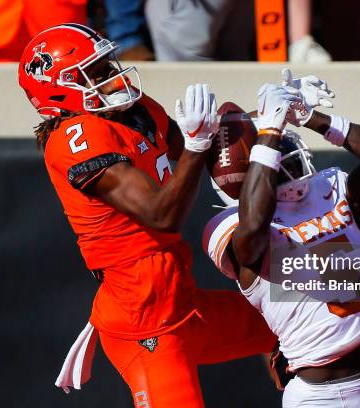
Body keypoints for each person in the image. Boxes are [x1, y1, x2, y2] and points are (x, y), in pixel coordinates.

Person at [17, 23, 277, 407]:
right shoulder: (74, 140)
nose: (113, 75)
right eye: (97, 72)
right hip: (146, 325)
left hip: (183, 304)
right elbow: (162, 214)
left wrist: (271, 120)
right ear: (59, 89)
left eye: (108, 62)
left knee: (299, 326)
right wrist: (197, 143)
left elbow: (200, 148)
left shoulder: (136, 111)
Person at [203, 69, 360, 407]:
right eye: (276, 150)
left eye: (284, 143)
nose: (286, 151)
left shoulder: (327, 190)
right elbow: (254, 232)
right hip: (320, 397)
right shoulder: (233, 227)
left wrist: (308, 116)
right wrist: (270, 131)